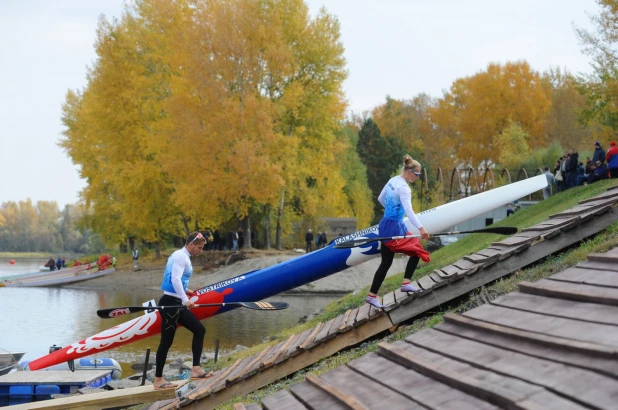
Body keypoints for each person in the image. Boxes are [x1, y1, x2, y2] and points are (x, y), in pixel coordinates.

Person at [365, 155, 431, 309]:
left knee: (386, 263)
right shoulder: (404, 189)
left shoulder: (393, 180)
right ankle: (406, 283)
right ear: (410, 172)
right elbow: (409, 210)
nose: (418, 177)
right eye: (417, 174)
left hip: (386, 224)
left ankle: (372, 295)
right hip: (394, 228)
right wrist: (421, 228)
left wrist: (392, 211)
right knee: (417, 251)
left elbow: (381, 199)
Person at [154, 232, 212, 391]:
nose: (200, 251)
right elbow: (175, 279)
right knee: (166, 342)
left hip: (176, 302)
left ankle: (196, 369)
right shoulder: (181, 256)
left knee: (199, 330)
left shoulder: (180, 255)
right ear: (191, 244)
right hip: (171, 304)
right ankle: (158, 379)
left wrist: (186, 291)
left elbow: (176, 279)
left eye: (202, 248)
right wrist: (185, 300)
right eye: (199, 247)